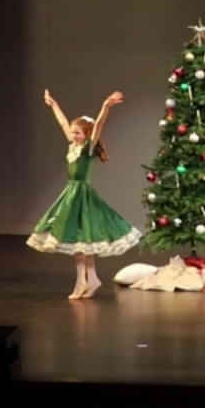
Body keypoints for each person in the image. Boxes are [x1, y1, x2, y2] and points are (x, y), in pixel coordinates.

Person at [27, 89, 142, 299]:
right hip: (70, 194)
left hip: (83, 196)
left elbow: (98, 125)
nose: (73, 135)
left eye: (77, 133)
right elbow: (63, 123)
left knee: (82, 241)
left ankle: (82, 282)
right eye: (72, 132)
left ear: (87, 136)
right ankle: (91, 278)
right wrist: (53, 105)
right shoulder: (73, 145)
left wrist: (106, 106)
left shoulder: (88, 149)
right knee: (82, 241)